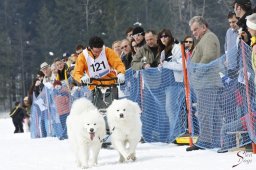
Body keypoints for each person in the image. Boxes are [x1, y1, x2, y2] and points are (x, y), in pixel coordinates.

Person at [186, 16, 222, 151]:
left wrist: (197, 72)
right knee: (213, 113)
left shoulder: (209, 37)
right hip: (206, 83)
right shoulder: (204, 39)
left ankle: (205, 141)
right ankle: (218, 139)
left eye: (196, 29)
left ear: (204, 27)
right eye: (192, 30)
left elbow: (209, 56)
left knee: (204, 112)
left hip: (207, 83)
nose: (193, 32)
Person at [157, 29, 186, 141]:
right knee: (170, 109)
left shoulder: (177, 48)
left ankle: (176, 133)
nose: (163, 38)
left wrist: (165, 64)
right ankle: (175, 132)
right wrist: (161, 67)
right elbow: (165, 66)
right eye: (161, 37)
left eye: (166, 36)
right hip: (166, 84)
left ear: (170, 37)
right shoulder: (164, 51)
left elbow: (181, 66)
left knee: (171, 109)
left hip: (176, 83)